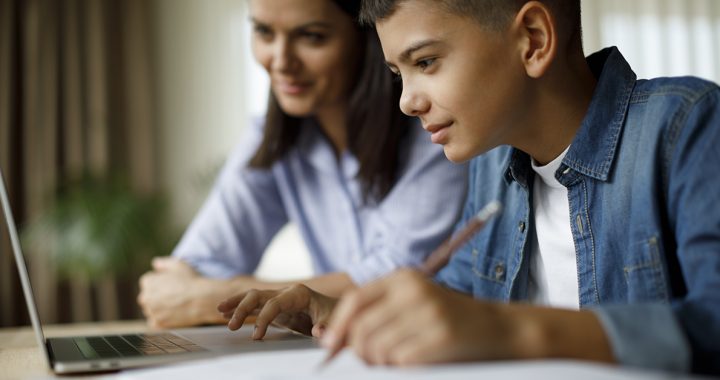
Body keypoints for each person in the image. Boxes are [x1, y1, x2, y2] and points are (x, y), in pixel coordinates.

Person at [217, 0, 720, 375]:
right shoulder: (494, 162)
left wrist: (509, 331)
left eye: (426, 62)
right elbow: (455, 297)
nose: (407, 102)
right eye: (398, 74)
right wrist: (342, 311)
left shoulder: (688, 126)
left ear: (533, 39)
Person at [137, 0, 468, 329]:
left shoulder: (435, 130)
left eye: (312, 37)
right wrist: (196, 291)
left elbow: (394, 279)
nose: (281, 62)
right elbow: (192, 271)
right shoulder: (274, 138)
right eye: (264, 32)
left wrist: (210, 299)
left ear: (367, 37)